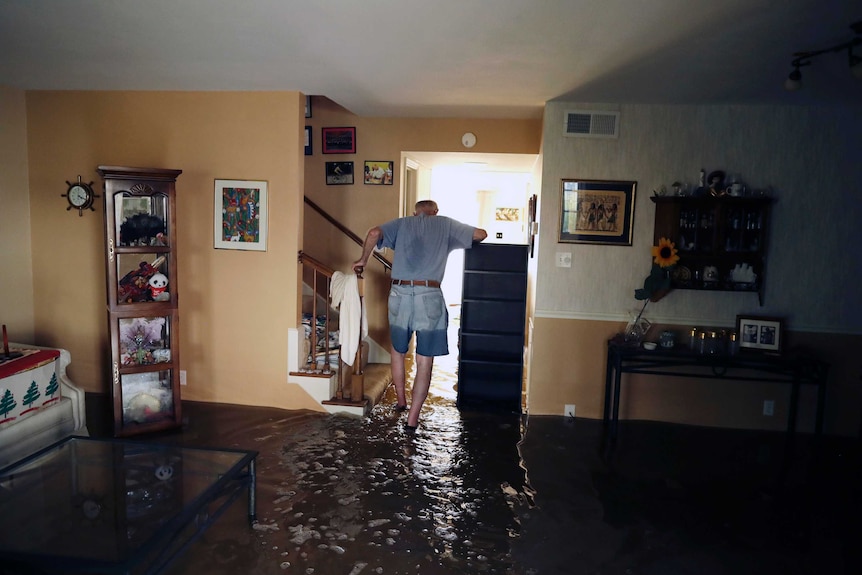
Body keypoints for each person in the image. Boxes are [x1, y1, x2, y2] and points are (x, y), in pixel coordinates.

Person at [353, 200, 487, 431]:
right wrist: (450, 237)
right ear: (435, 212)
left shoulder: (403, 223)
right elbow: (480, 234)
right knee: (424, 360)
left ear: (415, 212)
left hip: (399, 293)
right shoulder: (445, 224)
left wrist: (363, 260)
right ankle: (413, 418)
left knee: (398, 351)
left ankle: (401, 401)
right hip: (429, 294)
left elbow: (374, 233)